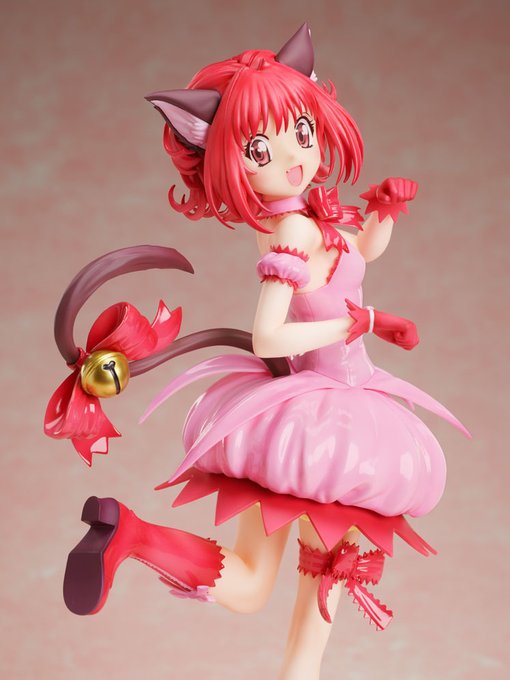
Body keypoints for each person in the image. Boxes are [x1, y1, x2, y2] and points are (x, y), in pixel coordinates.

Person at [47, 24, 468, 680]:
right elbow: (270, 335)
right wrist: (357, 324)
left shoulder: (307, 219)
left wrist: (384, 214)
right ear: (222, 158)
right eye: (260, 148)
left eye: (301, 130)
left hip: (310, 410)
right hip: (331, 419)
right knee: (324, 569)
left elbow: (356, 256)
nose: (293, 156)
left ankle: (132, 534)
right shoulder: (293, 231)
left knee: (249, 584)